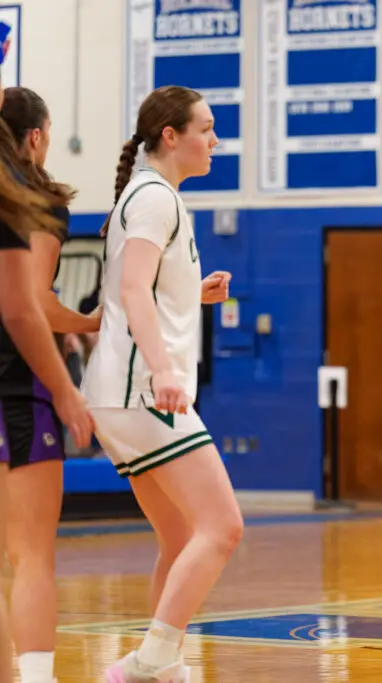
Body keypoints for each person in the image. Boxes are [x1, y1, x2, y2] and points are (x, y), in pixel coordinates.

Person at [80, 84, 242, 683]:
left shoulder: (149, 194)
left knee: (179, 538)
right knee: (222, 527)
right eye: (206, 128)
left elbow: (143, 287)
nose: (215, 140)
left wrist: (189, 295)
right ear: (170, 136)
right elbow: (130, 291)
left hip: (118, 395)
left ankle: (164, 665)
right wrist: (165, 369)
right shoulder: (154, 198)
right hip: (141, 392)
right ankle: (149, 661)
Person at [0, 85, 101, 683]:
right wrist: (85, 331)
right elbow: (30, 303)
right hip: (16, 386)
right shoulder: (30, 199)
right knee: (31, 555)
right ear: (36, 136)